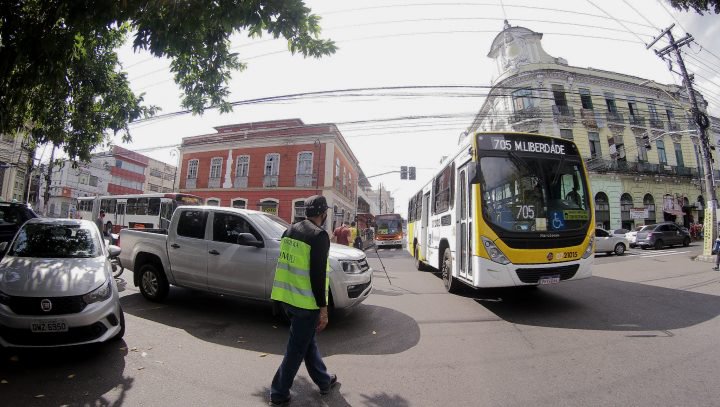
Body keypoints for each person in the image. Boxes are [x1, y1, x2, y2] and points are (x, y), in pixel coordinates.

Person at [270, 195, 338, 405]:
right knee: (296, 350)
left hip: (287, 298)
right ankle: (279, 394)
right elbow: (318, 276)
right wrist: (323, 309)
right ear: (323, 214)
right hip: (305, 304)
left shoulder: (288, 231)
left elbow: (284, 266)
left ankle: (324, 381)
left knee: (307, 344)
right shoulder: (319, 236)